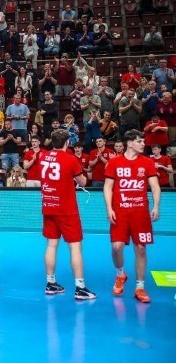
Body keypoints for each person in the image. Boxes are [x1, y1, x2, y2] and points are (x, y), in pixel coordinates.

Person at [103, 130, 160, 303]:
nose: (143, 144)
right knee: (116, 247)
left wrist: (156, 206)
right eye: (139, 141)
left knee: (141, 248)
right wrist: (109, 208)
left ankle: (140, 287)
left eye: (143, 141)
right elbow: (107, 187)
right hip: (120, 212)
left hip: (140, 213)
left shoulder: (148, 163)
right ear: (129, 143)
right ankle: (120, 274)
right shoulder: (114, 162)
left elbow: (155, 186)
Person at [40, 129, 96, 300]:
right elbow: (83, 181)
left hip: (48, 205)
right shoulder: (70, 159)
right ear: (67, 142)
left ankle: (50, 283)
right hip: (66, 209)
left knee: (51, 245)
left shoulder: (43, 157)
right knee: (75, 246)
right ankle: (80, 287)